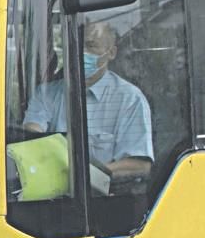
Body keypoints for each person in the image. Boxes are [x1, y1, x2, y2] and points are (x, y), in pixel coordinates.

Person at [22, 20, 154, 187]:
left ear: (111, 53)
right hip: (51, 193)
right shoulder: (47, 93)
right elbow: (31, 133)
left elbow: (140, 165)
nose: (81, 53)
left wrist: (86, 176)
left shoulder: (129, 99)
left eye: (90, 46)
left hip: (105, 198)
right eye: (76, 46)